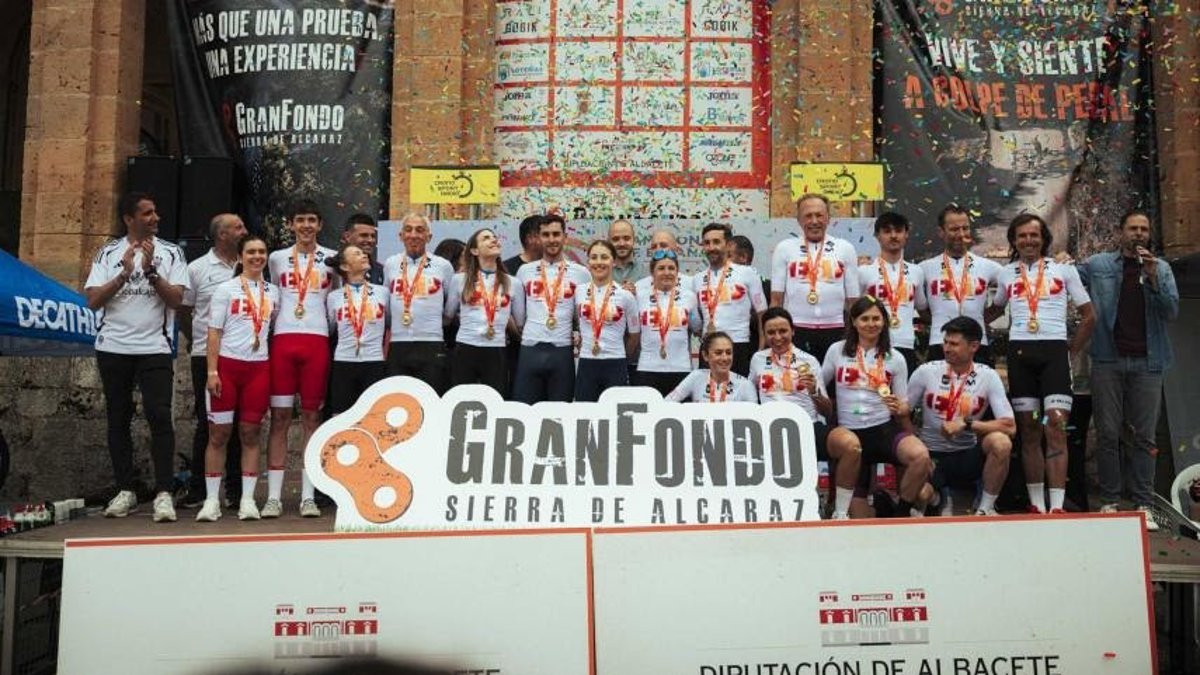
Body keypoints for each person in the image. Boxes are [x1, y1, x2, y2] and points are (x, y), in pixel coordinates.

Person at [84, 192, 189, 522]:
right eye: (147, 213)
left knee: (159, 415)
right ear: (129, 219)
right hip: (113, 346)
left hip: (154, 347)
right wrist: (123, 274)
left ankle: (164, 492)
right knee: (118, 417)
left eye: (155, 212)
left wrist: (152, 271)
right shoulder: (107, 252)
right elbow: (93, 300)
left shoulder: (172, 252)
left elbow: (176, 300)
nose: (156, 218)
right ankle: (125, 490)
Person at [1081, 209, 1179, 528]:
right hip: (1108, 359)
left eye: (1143, 229)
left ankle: (1143, 504)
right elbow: (1066, 279)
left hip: (1148, 363)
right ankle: (1110, 501)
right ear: (1121, 232)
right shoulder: (1098, 265)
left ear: (1149, 235)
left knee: (1145, 437)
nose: (1138, 233)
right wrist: (1063, 261)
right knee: (1108, 433)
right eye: (1133, 228)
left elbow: (1171, 311)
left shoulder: (1161, 268)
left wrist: (1152, 278)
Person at [993, 214, 1094, 514]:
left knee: (1056, 426)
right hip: (1020, 354)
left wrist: (1072, 351)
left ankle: (1057, 505)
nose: (1028, 240)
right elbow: (995, 309)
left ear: (1043, 239)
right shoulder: (1006, 273)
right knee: (1030, 428)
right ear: (1014, 241)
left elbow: (1089, 315)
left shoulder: (1064, 270)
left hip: (1054, 354)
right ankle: (1036, 504)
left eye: (1034, 235)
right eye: (1022, 236)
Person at [821, 296, 932, 518]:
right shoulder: (837, 350)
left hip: (882, 429)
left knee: (920, 455)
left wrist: (899, 407)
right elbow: (820, 385)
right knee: (861, 517)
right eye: (864, 319)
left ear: (884, 322)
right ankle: (882, 505)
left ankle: (901, 513)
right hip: (851, 434)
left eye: (876, 319)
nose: (871, 324)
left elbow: (904, 405)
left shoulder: (896, 357)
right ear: (854, 322)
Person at [196, 235, 280, 522]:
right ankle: (211, 501)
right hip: (227, 367)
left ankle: (247, 500)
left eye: (262, 252)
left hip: (258, 368)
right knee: (218, 434)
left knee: (250, 433)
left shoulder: (273, 292)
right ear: (241, 257)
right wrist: (212, 371)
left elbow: (271, 328)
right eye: (251, 252)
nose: (257, 257)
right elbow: (214, 331)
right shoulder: (226, 289)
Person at [265, 199, 338, 518]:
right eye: (300, 220)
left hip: (317, 340)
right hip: (284, 339)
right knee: (279, 418)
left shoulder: (332, 258)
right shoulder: (277, 258)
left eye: (311, 220)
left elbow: (335, 300)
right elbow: (274, 295)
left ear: (320, 225)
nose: (306, 226)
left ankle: (308, 496)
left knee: (312, 419)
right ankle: (273, 497)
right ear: (291, 224)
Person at [750, 307, 856, 519]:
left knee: (850, 446)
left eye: (783, 331)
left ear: (793, 331)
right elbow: (749, 392)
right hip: (770, 431)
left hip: (806, 426)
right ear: (764, 334)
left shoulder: (809, 360)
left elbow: (827, 410)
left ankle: (840, 512)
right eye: (771, 332)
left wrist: (814, 391)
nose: (777, 337)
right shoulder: (757, 359)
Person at [906, 317, 1015, 516]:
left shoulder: (988, 375)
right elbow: (903, 413)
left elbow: (1010, 426)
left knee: (1001, 443)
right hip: (931, 454)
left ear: (974, 346)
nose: (947, 348)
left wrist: (967, 423)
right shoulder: (926, 371)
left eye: (954, 344)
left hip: (967, 453)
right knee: (921, 494)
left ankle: (985, 509)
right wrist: (916, 447)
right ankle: (938, 499)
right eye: (945, 342)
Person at [179, 213, 247, 508]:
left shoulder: (251, 265)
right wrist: (199, 340)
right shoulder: (197, 268)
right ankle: (198, 490)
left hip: (242, 355)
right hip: (206, 355)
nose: (244, 231)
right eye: (238, 227)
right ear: (222, 235)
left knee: (240, 423)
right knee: (208, 423)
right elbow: (184, 310)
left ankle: (235, 491)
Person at [770, 193, 860, 360]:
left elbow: (853, 301)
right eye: (808, 216)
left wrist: (855, 337)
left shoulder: (845, 248)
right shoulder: (784, 248)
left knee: (833, 377)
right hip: (796, 329)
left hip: (836, 329)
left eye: (819, 215)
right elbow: (776, 300)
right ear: (798, 219)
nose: (814, 221)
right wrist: (774, 335)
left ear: (828, 218)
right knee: (799, 376)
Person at [512, 216, 590, 403]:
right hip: (530, 347)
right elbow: (519, 315)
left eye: (556, 234)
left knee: (560, 410)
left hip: (562, 350)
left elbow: (584, 313)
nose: (551, 239)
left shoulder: (581, 273)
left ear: (565, 237)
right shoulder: (524, 271)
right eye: (546, 235)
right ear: (539, 238)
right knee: (525, 408)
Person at [918, 205, 1002, 365]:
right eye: (954, 229)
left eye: (965, 228)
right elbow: (921, 308)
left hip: (977, 343)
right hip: (940, 343)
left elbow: (1009, 292)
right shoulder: (924, 268)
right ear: (941, 232)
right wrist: (937, 319)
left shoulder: (989, 267)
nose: (961, 234)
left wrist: (981, 319)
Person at [445, 228, 526, 393]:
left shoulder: (514, 283)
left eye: (494, 237)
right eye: (486, 238)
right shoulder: (459, 280)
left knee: (496, 398)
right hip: (465, 347)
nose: (493, 240)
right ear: (474, 250)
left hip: (496, 349)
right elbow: (448, 315)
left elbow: (520, 323)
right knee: (461, 398)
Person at [383, 213, 454, 394]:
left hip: (431, 343)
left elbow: (450, 305)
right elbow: (387, 304)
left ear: (429, 236)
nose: (413, 235)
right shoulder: (390, 264)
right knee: (398, 401)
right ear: (401, 236)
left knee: (432, 400)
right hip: (398, 343)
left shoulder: (443, 265)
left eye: (420, 230)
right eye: (408, 230)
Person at [692, 223, 767, 376]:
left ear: (727, 244)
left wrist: (761, 349)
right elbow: (695, 317)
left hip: (738, 345)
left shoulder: (747, 273)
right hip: (709, 347)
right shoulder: (697, 279)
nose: (711, 247)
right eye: (707, 243)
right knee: (708, 390)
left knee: (738, 390)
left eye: (716, 242)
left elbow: (762, 314)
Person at [858, 212, 926, 376]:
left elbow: (921, 305)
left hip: (906, 343)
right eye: (887, 231)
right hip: (873, 343)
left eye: (898, 231)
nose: (893, 236)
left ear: (906, 234)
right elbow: (854, 308)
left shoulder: (916, 272)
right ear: (877, 236)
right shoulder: (864, 272)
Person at [326, 245, 388, 414]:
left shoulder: (383, 293)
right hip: (343, 361)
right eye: (357, 254)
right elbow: (331, 327)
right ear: (345, 266)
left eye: (363, 253)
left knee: (373, 415)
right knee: (340, 415)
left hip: (374, 361)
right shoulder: (333, 297)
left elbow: (388, 323)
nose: (364, 255)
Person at [576, 240, 640, 402]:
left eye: (604, 257)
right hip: (587, 362)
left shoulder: (625, 295)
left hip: (615, 363)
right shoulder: (579, 291)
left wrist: (622, 357)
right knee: (585, 412)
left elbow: (634, 335)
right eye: (594, 257)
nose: (599, 262)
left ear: (614, 261)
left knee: (613, 412)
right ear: (588, 262)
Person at [633, 249, 699, 396]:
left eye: (671, 268)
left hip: (681, 368)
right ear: (652, 272)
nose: (667, 272)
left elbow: (697, 328)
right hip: (647, 368)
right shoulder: (639, 296)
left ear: (677, 272)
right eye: (661, 268)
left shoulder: (690, 297)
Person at [667, 332, 757, 403]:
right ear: (705, 355)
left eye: (728, 353)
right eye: (718, 353)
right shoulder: (696, 377)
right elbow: (667, 403)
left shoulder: (745, 385)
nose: (725, 358)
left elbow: (755, 416)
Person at [341, 213, 384, 284]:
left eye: (373, 236)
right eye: (364, 235)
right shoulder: (332, 268)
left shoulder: (381, 270)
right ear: (347, 237)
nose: (370, 240)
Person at [610, 219, 639, 291]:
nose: (621, 244)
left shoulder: (647, 272)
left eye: (626, 238)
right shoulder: (601, 272)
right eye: (616, 239)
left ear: (634, 240)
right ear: (609, 242)